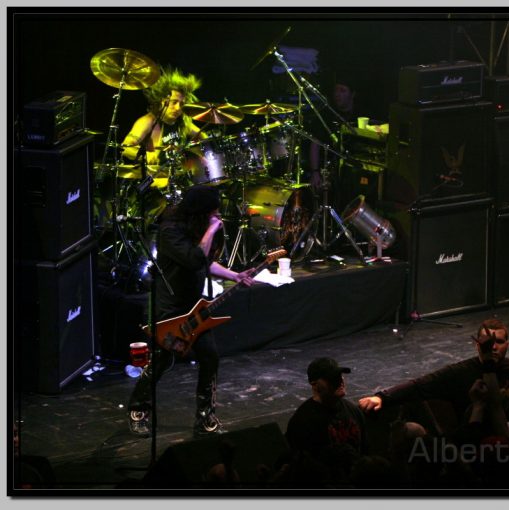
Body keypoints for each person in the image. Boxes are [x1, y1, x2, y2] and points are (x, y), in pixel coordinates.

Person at [127, 185, 255, 437]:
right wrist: (211, 229)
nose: (217, 216)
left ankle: (205, 417)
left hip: (193, 305)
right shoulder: (170, 231)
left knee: (210, 356)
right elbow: (195, 258)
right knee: (162, 360)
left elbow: (205, 262)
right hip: (169, 307)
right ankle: (138, 409)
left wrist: (234, 275)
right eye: (213, 212)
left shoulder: (196, 227)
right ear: (201, 212)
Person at [358, 318, 509, 423]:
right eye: (487, 343)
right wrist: (381, 397)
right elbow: (420, 385)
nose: (492, 348)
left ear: (507, 345)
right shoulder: (459, 373)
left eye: (499, 343)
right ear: (476, 344)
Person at [285, 357, 368, 470]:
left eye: (340, 376)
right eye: (332, 379)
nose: (340, 382)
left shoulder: (353, 411)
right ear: (315, 385)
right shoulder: (303, 421)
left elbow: (364, 451)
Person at [121, 66, 203, 168]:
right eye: (174, 102)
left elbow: (203, 136)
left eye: (182, 104)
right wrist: (146, 155)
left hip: (177, 177)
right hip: (156, 177)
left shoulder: (183, 122)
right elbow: (125, 147)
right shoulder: (147, 121)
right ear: (161, 101)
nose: (178, 108)